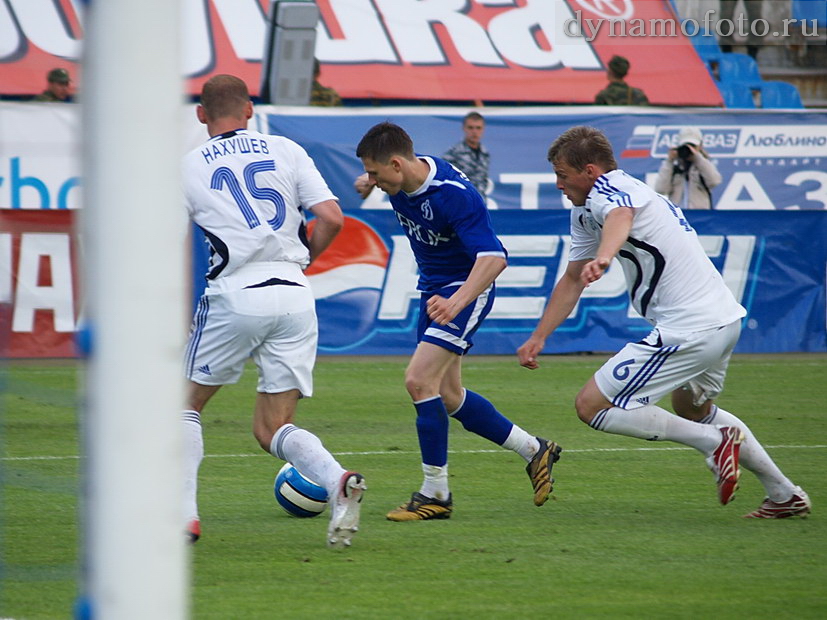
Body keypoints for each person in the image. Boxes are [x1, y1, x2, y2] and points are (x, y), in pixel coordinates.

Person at [517, 125, 810, 519]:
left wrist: (605, 257)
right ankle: (783, 493)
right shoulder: (589, 209)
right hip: (723, 320)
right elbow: (572, 278)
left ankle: (713, 442)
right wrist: (539, 335)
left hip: (690, 327)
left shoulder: (611, 191)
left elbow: (621, 216)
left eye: (562, 175)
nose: (558, 184)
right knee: (691, 407)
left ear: (590, 171)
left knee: (591, 406)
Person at [181, 74, 366, 549]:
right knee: (272, 428)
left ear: (201, 115)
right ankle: (335, 479)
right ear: (249, 110)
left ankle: (183, 516)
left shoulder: (187, 166)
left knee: (182, 406)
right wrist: (302, 263)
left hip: (235, 292)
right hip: (294, 292)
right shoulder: (285, 149)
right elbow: (332, 218)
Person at [355, 121, 561, 522]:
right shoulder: (400, 178)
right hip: (433, 290)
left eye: (377, 174)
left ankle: (436, 494)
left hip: (466, 288)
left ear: (397, 164)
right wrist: (367, 181)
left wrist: (457, 302)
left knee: (418, 381)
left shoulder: (454, 195)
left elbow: (494, 258)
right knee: (448, 395)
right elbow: (374, 173)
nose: (374, 182)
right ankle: (535, 450)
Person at [654, 127, 722, 210]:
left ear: (700, 146)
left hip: (700, 216)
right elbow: (660, 189)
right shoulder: (674, 167)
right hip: (678, 216)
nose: (689, 149)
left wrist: (697, 157)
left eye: (693, 146)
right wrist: (669, 161)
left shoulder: (703, 165)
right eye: (685, 146)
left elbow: (714, 181)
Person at [442, 112, 490, 198]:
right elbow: (445, 181)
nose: (474, 132)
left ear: (483, 129)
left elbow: (483, 180)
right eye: (470, 128)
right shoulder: (453, 154)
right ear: (464, 128)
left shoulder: (484, 154)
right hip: (461, 203)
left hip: (480, 202)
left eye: (478, 128)